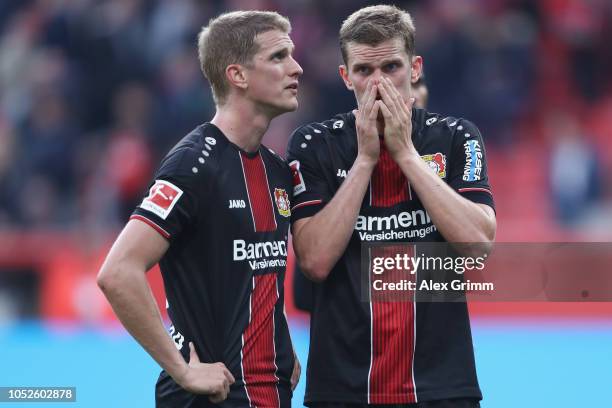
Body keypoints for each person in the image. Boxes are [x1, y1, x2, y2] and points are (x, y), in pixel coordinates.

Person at [287, 5, 496, 408]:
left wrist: (406, 155)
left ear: (415, 69)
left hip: (441, 388)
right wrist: (365, 160)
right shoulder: (315, 145)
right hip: (343, 390)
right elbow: (313, 260)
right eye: (364, 71)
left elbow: (477, 244)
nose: (378, 82)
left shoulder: (456, 138)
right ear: (346, 77)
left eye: (391, 67)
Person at [97, 10, 303, 408]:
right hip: (214, 398)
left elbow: (253, 273)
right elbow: (117, 272)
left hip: (270, 393)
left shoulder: (276, 171)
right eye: (278, 57)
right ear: (237, 75)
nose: (295, 67)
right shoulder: (194, 164)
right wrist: (183, 369)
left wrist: (282, 344)